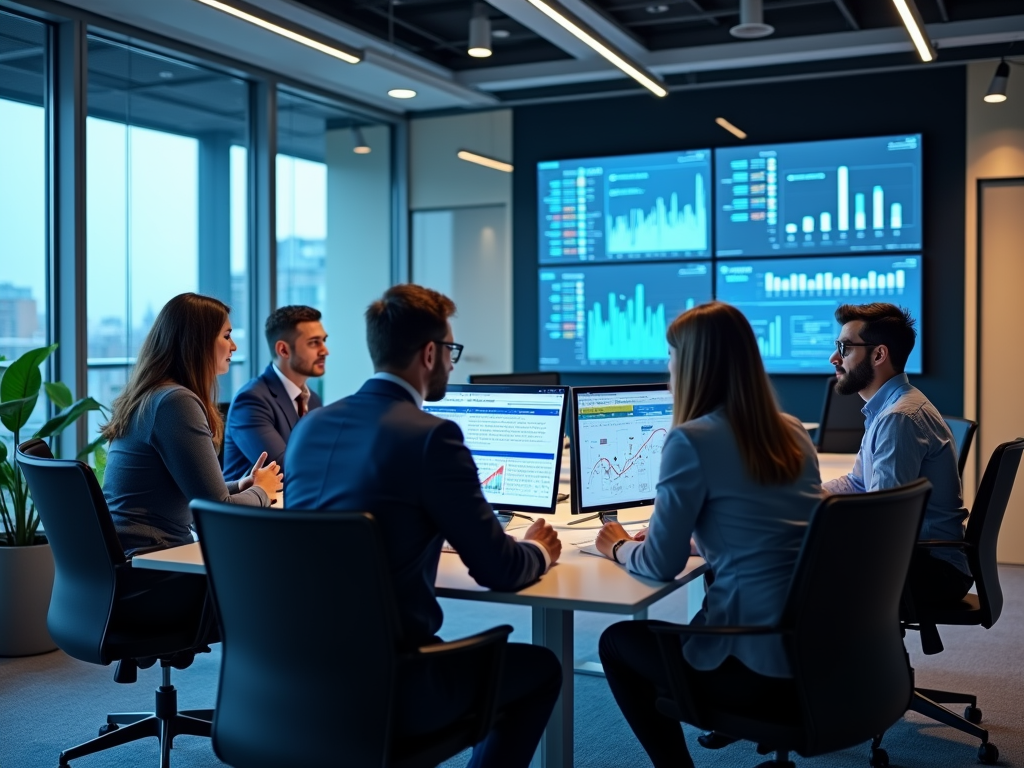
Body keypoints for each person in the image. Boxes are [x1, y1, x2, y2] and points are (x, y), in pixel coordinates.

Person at [285, 284, 562, 768]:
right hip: (394, 684)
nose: (452, 364)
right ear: (430, 353)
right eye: (450, 351)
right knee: (540, 669)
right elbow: (499, 569)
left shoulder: (311, 426)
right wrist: (537, 549)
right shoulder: (432, 437)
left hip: (294, 678)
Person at [592, 301, 823, 768]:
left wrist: (617, 545)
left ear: (693, 364)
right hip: (819, 651)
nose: (668, 366)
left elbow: (660, 565)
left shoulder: (691, 440)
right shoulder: (792, 431)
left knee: (616, 643)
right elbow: (770, 526)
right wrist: (708, 538)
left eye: (672, 355)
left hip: (752, 663)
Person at [102, 293, 283, 557]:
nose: (234, 347)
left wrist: (241, 486)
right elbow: (215, 511)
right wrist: (262, 491)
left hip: (140, 555)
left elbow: (192, 491)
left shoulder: (153, 396)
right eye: (226, 336)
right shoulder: (175, 402)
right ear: (198, 342)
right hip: (159, 562)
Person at [823, 302, 971, 607]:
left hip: (928, 568)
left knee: (782, 570)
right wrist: (801, 496)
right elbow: (858, 484)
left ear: (878, 354)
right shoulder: (890, 408)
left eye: (844, 348)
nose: (834, 358)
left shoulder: (899, 417)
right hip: (915, 557)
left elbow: (881, 521)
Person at [222, 305, 327, 481]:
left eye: (324, 341)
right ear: (283, 350)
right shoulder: (250, 400)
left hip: (296, 503)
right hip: (254, 507)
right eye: (314, 342)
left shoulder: (313, 400)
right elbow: (283, 468)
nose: (325, 350)